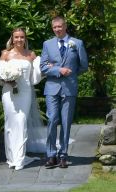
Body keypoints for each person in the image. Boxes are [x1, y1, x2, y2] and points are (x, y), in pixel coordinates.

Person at [0, 28, 43, 170]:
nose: (19, 40)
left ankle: (20, 159)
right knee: (10, 123)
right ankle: (11, 158)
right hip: (9, 92)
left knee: (21, 121)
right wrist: (6, 79)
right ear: (12, 38)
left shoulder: (31, 54)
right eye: (16, 37)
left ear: (25, 39)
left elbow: (39, 73)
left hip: (25, 92)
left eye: (22, 37)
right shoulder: (6, 54)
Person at [40, 16, 88, 169]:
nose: (57, 29)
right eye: (55, 27)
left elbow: (84, 65)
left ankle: (63, 155)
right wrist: (58, 70)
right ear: (52, 28)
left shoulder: (77, 43)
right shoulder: (47, 44)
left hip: (69, 88)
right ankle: (51, 155)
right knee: (52, 119)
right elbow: (43, 67)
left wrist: (71, 74)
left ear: (65, 26)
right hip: (52, 88)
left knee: (66, 122)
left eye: (60, 26)